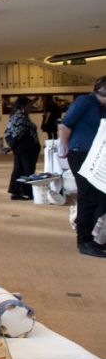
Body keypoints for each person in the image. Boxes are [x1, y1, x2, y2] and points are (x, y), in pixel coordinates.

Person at [58, 76, 106, 258]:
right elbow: (65, 126)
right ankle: (84, 241)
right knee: (88, 196)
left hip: (96, 156)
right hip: (81, 153)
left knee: (99, 196)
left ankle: (93, 237)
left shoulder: (101, 108)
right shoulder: (85, 101)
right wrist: (68, 147)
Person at [2, 96, 40, 201]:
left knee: (19, 170)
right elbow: (17, 133)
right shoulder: (21, 118)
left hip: (22, 149)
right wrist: (11, 145)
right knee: (28, 170)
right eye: (29, 105)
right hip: (26, 149)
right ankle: (27, 192)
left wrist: (10, 145)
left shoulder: (15, 117)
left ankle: (16, 191)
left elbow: (8, 133)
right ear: (23, 106)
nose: (31, 108)